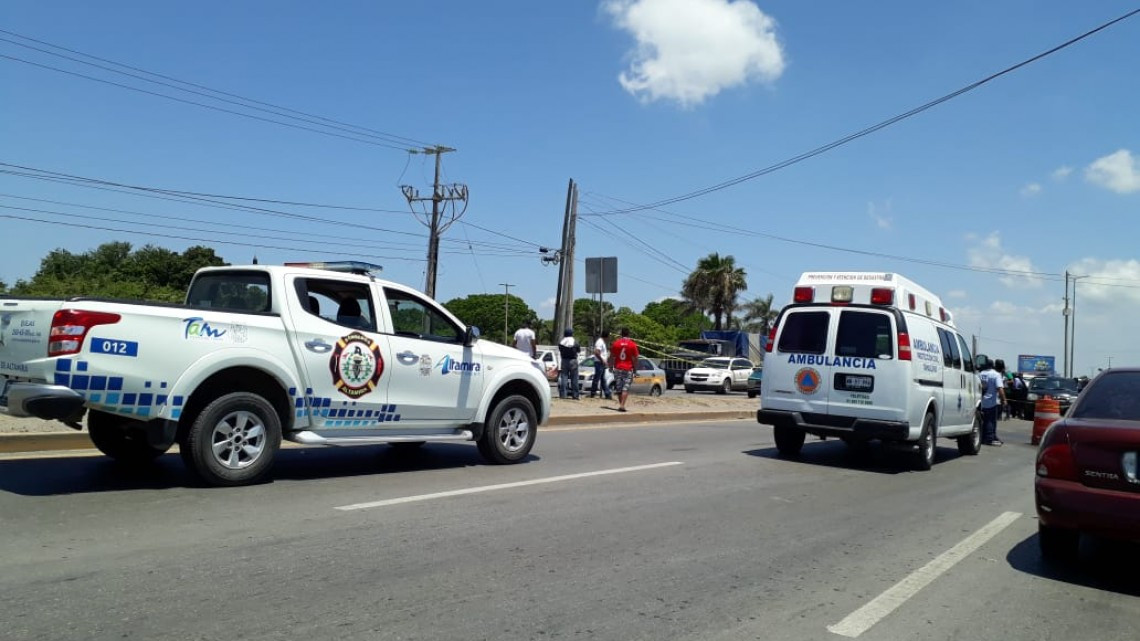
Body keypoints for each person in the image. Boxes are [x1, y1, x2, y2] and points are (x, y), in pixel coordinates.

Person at [610, 327, 640, 413]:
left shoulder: (616, 343)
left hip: (618, 368)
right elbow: (635, 358)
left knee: (619, 388)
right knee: (625, 388)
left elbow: (612, 356)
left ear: (621, 334)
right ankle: (622, 405)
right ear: (628, 334)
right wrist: (635, 369)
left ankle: (621, 405)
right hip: (628, 368)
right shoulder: (632, 344)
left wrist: (610, 366)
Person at [978, 357, 1006, 446]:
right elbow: (1000, 388)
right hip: (991, 402)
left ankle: (983, 437)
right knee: (991, 421)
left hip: (980, 402)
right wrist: (1004, 400)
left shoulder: (980, 374)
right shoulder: (995, 374)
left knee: (982, 421)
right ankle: (989, 438)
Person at [557, 328, 581, 400]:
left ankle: (563, 395)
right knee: (574, 378)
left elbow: (560, 350)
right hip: (573, 360)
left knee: (564, 378)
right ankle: (575, 395)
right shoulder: (575, 342)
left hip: (564, 360)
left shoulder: (561, 342)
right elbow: (578, 350)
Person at [589, 331, 612, 399]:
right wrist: (602, 360)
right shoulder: (600, 342)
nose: (609, 337)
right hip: (599, 362)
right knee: (597, 378)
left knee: (603, 379)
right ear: (606, 336)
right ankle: (593, 393)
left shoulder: (602, 342)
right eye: (609, 336)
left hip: (601, 363)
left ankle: (607, 394)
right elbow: (596, 352)